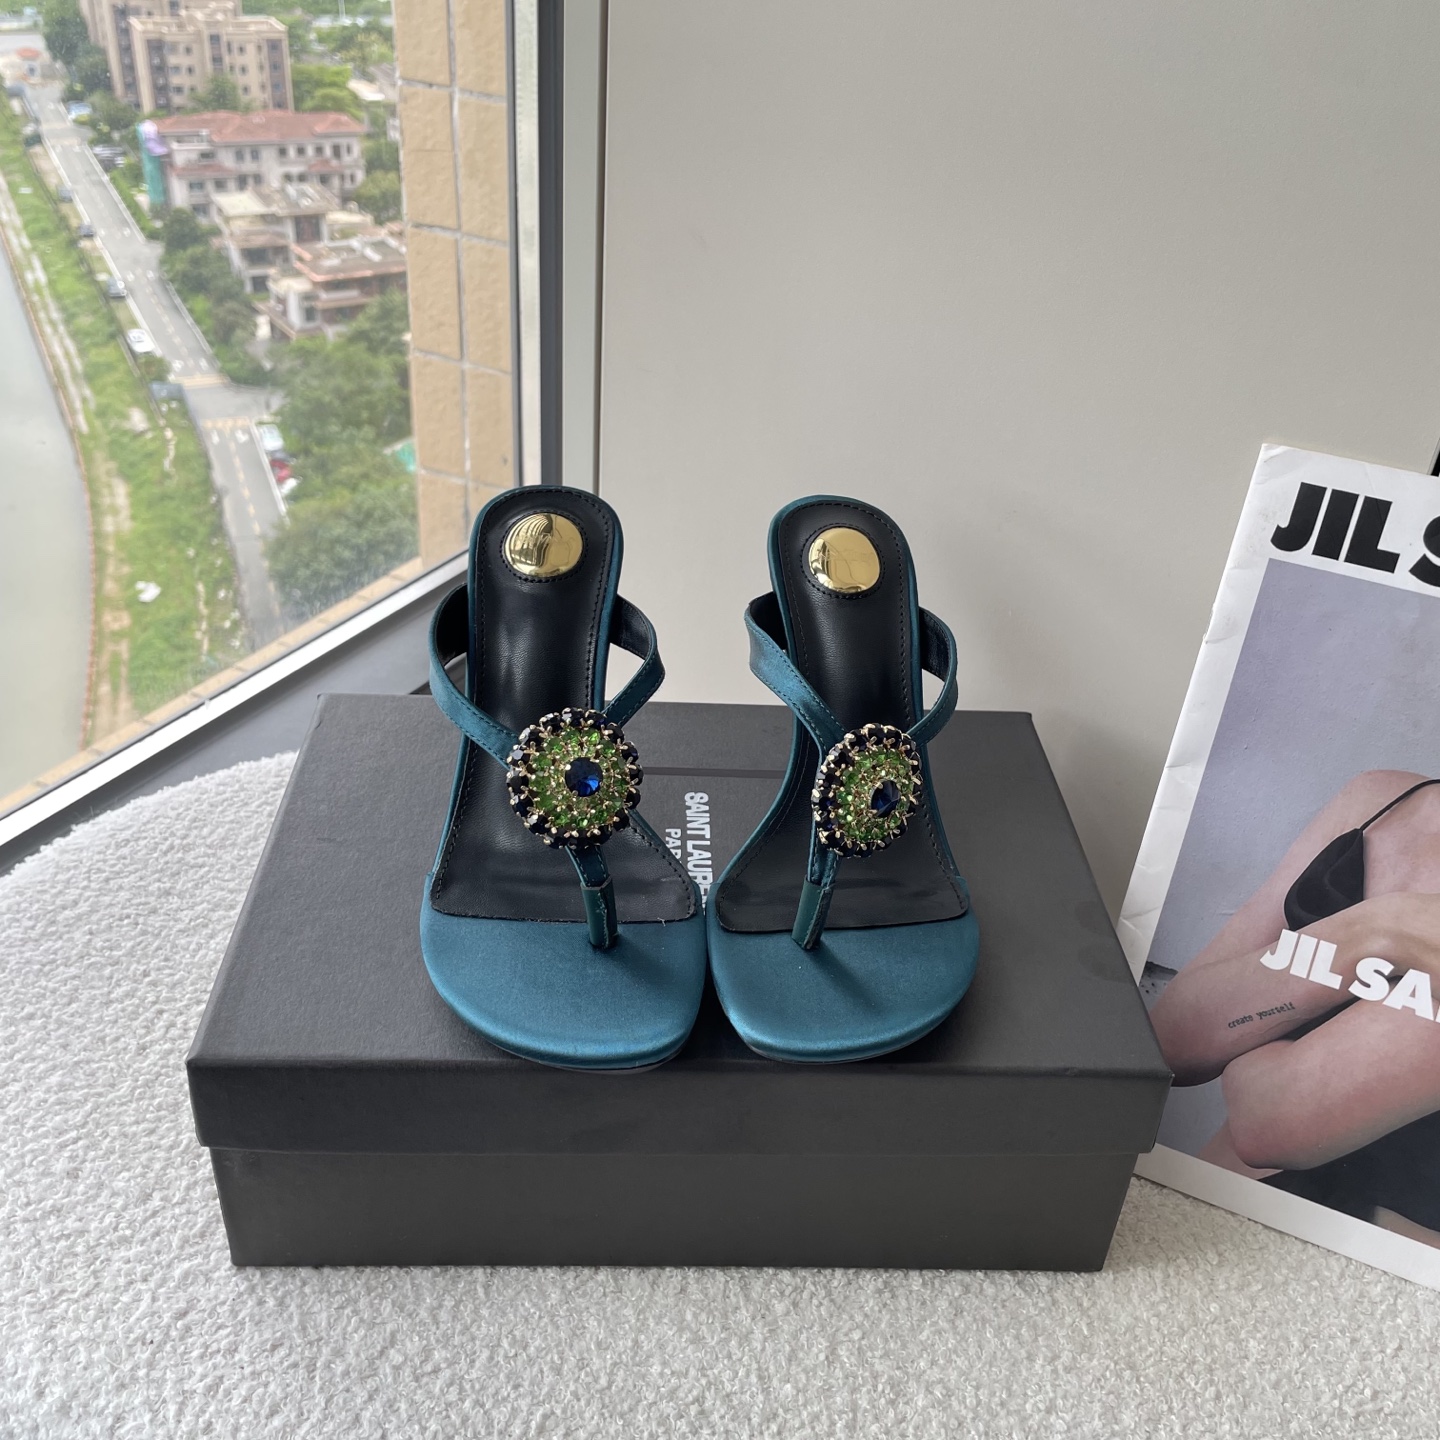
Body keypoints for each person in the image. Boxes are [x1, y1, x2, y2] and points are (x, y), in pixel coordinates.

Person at [1148, 770, 1440, 1246]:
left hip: (1358, 1272)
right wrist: (1382, 929)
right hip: (1194, 1218)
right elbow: (1167, 1040)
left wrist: (1249, 1011)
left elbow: (1267, 1119)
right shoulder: (1381, 797)